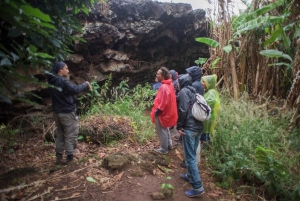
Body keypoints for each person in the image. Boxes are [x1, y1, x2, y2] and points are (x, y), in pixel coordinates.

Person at [47, 61, 92, 165]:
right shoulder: (62, 81)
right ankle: (69, 159)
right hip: (67, 113)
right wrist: (86, 84)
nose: (68, 70)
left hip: (57, 113)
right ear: (60, 70)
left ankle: (58, 158)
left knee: (60, 135)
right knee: (71, 134)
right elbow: (75, 90)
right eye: (66, 68)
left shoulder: (52, 81)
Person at [176, 74, 205, 197]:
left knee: (190, 158)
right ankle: (189, 175)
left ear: (182, 82)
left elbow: (183, 110)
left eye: (178, 81)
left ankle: (198, 188)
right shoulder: (195, 91)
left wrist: (179, 126)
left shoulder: (183, 92)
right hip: (199, 127)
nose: (177, 84)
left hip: (190, 128)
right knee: (192, 154)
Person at [150, 67, 178, 154]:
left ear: (162, 76)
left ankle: (164, 149)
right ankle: (169, 145)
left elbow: (163, 102)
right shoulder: (170, 84)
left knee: (162, 130)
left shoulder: (164, 87)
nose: (156, 75)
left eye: (158, 74)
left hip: (162, 113)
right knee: (166, 129)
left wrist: (157, 111)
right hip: (168, 112)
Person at [201, 74, 221, 147]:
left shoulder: (211, 92)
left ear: (210, 83)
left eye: (204, 82)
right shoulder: (210, 91)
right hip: (209, 116)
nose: (203, 83)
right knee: (206, 132)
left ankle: (206, 148)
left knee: (207, 132)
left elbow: (210, 102)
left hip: (209, 117)